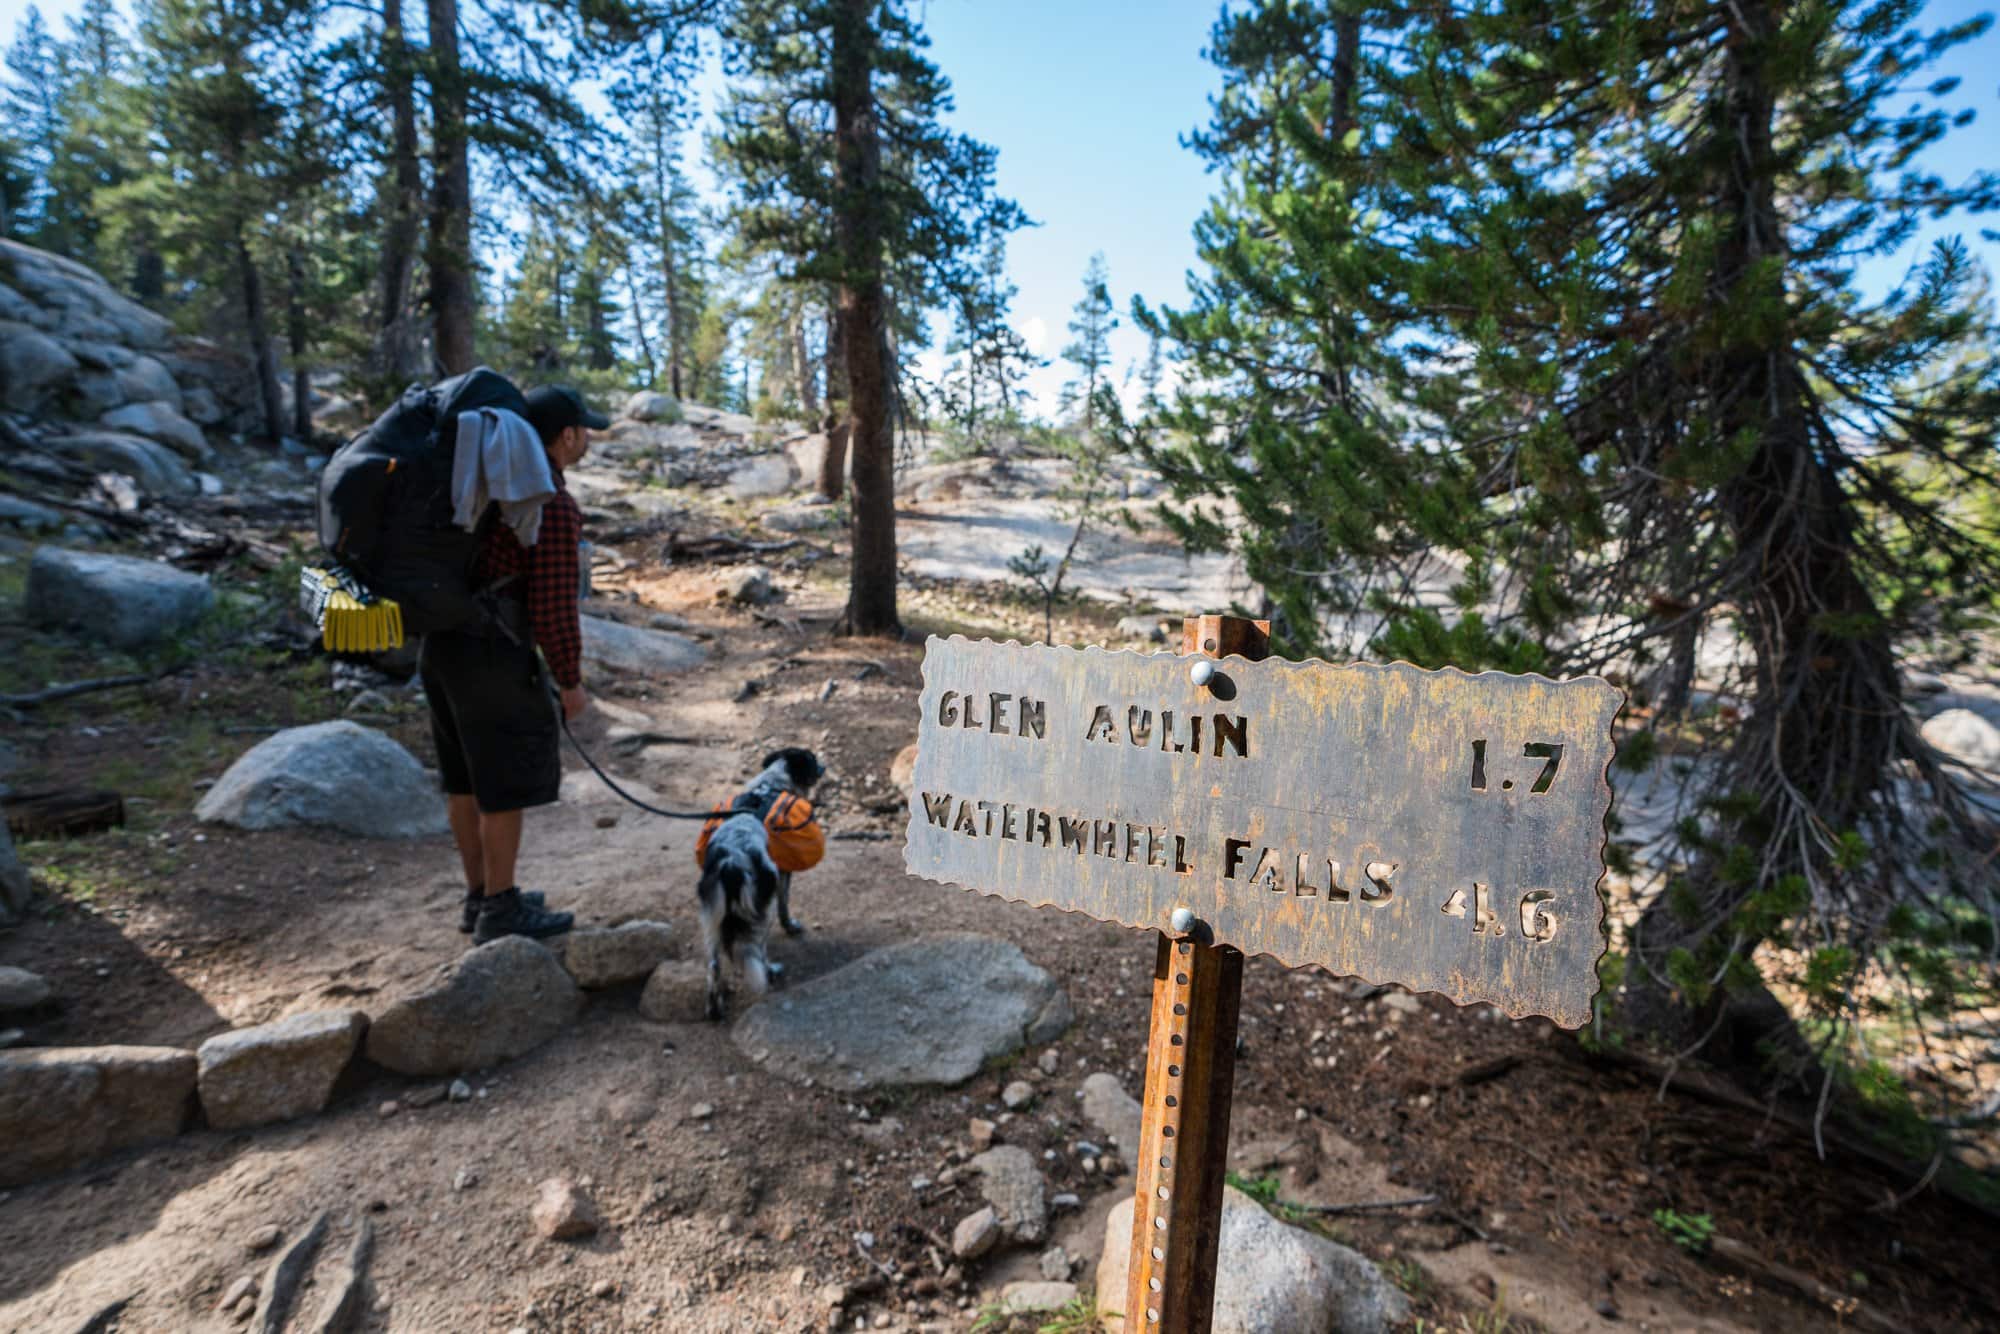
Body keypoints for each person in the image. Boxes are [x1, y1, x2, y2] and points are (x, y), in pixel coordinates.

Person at [420, 383, 608, 942]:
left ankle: (480, 896)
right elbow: (552, 606)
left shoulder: (480, 481)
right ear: (566, 436)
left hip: (443, 646)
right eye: (585, 429)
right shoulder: (547, 498)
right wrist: (570, 683)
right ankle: (501, 907)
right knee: (501, 782)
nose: (588, 438)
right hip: (493, 655)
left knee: (464, 779)